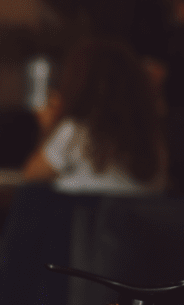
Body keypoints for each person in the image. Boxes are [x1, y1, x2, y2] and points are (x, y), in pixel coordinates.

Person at [23, 36, 167, 195]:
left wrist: (50, 128)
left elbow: (31, 176)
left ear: (78, 84)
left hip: (79, 211)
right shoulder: (152, 141)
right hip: (137, 213)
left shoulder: (74, 131)